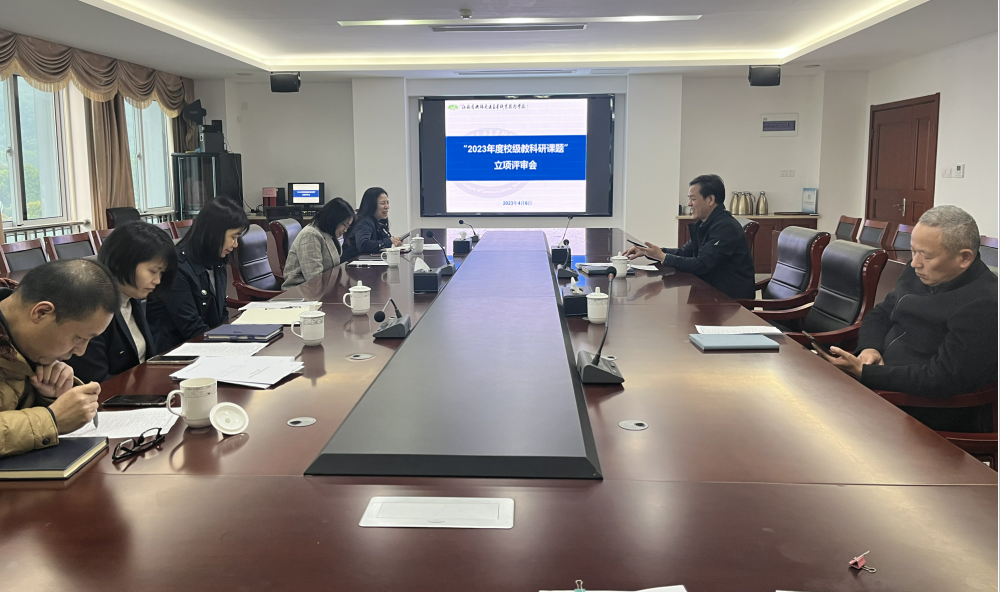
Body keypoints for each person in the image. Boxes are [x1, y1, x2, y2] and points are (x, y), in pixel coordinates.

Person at [817, 205, 998, 432]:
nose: (915, 263)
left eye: (927, 256)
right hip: (881, 388)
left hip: (922, 412)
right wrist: (870, 349)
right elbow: (881, 314)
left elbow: (942, 379)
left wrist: (868, 373)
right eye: (913, 251)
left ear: (964, 258)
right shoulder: (917, 273)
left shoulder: (984, 304)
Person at [0, 260, 118, 457]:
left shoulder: (27, 346)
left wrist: (49, 398)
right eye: (78, 338)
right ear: (41, 313)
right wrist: (52, 419)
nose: (80, 351)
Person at [68, 222, 178, 383]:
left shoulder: (131, 298)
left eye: (161, 273)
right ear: (123, 262)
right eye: (153, 271)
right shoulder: (91, 308)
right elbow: (95, 380)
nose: (157, 280)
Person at [624, 174, 755, 299]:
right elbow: (685, 253)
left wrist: (663, 257)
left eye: (693, 199)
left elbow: (703, 265)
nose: (689, 204)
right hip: (710, 291)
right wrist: (650, 252)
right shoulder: (705, 224)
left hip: (729, 302)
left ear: (710, 199)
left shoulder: (726, 228)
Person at [147, 198, 248, 352]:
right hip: (178, 353)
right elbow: (192, 329)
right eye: (233, 237)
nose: (235, 245)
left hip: (207, 346)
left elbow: (221, 314)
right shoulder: (177, 267)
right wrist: (229, 349)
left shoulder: (217, 260)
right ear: (215, 233)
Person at [282, 197, 355, 289]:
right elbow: (314, 280)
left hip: (322, 288)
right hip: (300, 291)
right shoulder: (310, 235)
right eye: (345, 225)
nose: (345, 230)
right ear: (334, 219)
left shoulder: (328, 234)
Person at [342, 187, 402, 259]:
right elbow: (363, 245)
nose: (387, 207)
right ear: (371, 205)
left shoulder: (377, 221)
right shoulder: (364, 222)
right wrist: (389, 241)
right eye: (383, 203)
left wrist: (394, 241)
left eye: (387, 203)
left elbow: (384, 240)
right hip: (352, 262)